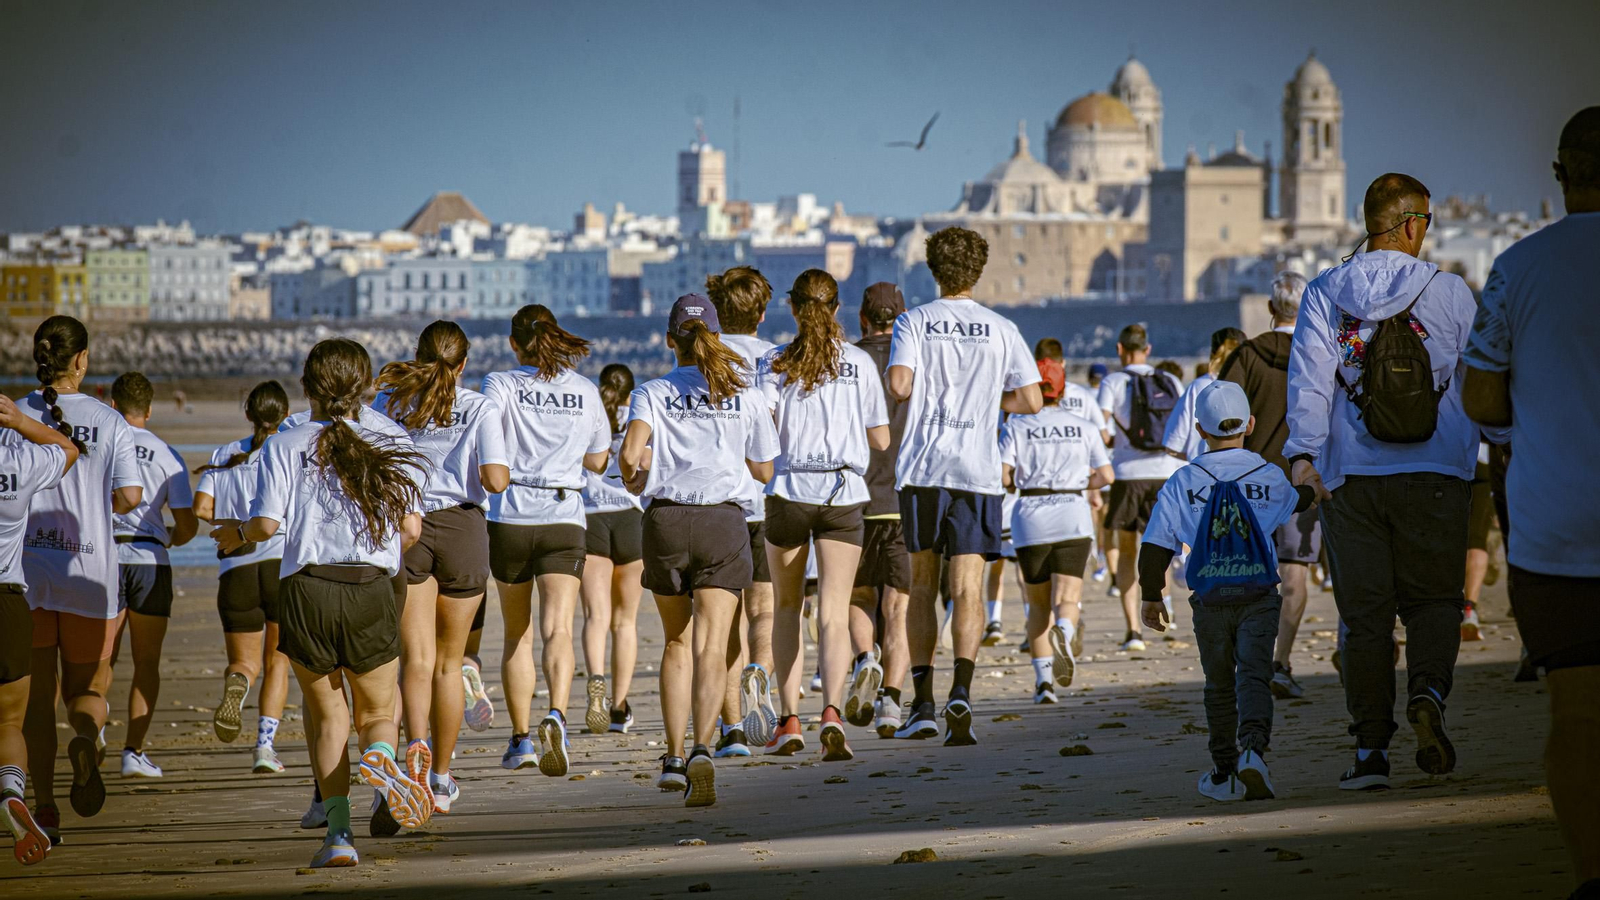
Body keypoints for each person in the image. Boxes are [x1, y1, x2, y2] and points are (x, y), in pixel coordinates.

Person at [1286, 172, 1506, 791]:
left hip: (1352, 477)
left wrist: (1303, 454)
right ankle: (1430, 694)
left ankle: (1370, 753)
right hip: (1438, 471)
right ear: (1412, 224)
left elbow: (1308, 381)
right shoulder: (1452, 292)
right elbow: (1484, 381)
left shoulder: (1327, 290)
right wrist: (1506, 447)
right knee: (1435, 600)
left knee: (1364, 617)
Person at [215, 338, 430, 868]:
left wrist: (235, 532)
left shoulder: (285, 445)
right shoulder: (391, 439)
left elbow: (266, 525)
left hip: (308, 588)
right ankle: (380, 757)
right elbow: (411, 529)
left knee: (328, 716)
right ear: (365, 388)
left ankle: (338, 836)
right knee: (378, 711)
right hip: (371, 585)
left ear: (307, 388)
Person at [1462, 106, 1600, 900]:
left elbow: (1482, 397)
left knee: (1578, 713)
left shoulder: (1519, 267)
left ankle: (1590, 873)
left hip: (1556, 527)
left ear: (1559, 176)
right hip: (1557, 526)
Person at [619, 294, 779, 806]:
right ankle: (704, 748)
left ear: (670, 340)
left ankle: (670, 755)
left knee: (675, 644)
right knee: (714, 646)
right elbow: (765, 469)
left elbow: (629, 456)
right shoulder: (745, 393)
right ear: (716, 336)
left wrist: (633, 475)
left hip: (666, 521)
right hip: (723, 522)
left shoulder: (652, 391)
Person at [886, 226, 1041, 745]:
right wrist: (989, 404)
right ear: (978, 271)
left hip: (926, 469)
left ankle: (923, 703)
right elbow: (1033, 400)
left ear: (933, 270)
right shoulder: (1001, 328)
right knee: (968, 588)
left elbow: (901, 385)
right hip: (978, 472)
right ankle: (963, 693)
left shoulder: (915, 321)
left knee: (923, 586)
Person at [1139, 381, 1315, 801]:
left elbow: (1156, 544)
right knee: (1254, 673)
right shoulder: (1267, 473)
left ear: (1200, 429)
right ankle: (1254, 751)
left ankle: (1224, 769)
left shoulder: (1184, 479)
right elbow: (1298, 500)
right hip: (1259, 594)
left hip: (1211, 598)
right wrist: (1316, 490)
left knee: (1218, 684)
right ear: (1250, 424)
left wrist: (1151, 594)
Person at [375, 320, 510, 812]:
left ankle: (415, 749)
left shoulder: (389, 403)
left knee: (417, 660)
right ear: (464, 364)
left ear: (418, 354)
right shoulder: (478, 405)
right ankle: (441, 778)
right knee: (451, 665)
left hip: (407, 528)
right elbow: (495, 480)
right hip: (462, 528)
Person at [757, 270, 890, 760]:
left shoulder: (773, 361)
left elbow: (762, 429)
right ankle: (832, 712)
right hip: (843, 491)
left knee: (788, 609)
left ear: (791, 309)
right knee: (833, 612)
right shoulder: (857, 362)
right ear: (836, 309)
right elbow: (880, 439)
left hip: (790, 488)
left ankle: (789, 720)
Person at [19, 316, 142, 842]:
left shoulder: (15, 413)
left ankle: (44, 806)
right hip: (90, 570)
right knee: (87, 688)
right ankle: (87, 739)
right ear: (82, 360)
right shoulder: (110, 421)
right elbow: (131, 496)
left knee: (37, 698)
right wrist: (97, 504)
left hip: (25, 572)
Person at [482, 306, 610, 778]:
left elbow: (486, 435)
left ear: (514, 344)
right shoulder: (584, 388)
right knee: (558, 627)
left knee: (517, 633)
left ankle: (520, 741)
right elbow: (598, 460)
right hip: (564, 515)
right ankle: (556, 713)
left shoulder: (500, 384)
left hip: (512, 514)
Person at [1220, 272, 1319, 700]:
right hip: (1302, 479)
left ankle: (1249, 661)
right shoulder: (1317, 353)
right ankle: (1280, 662)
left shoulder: (1246, 355)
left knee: (1246, 576)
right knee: (1294, 573)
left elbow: (1224, 415)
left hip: (1247, 482)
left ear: (1270, 309)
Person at [193, 381, 292, 775]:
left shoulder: (224, 453)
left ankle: (238, 683)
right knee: (278, 663)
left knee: (244, 663)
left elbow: (202, 508)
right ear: (285, 416)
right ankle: (265, 746)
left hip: (235, 567)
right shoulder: (286, 450)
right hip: (281, 564)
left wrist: (232, 525)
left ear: (248, 414)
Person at [1000, 358, 1113, 704]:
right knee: (1066, 598)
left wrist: (1016, 483)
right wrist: (1083, 482)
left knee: (1037, 605)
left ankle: (1044, 684)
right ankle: (1064, 630)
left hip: (1031, 516)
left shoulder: (1017, 425)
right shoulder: (1082, 426)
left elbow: (1003, 476)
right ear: (1063, 389)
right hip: (1072, 513)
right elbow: (1106, 476)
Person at [0, 392, 79, 866]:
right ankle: (10, 791)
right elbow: (68, 448)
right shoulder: (20, 461)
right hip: (8, 598)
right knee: (9, 721)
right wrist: (20, 421)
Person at [107, 372, 198, 779]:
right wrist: (174, 539)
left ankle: (91, 736)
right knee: (146, 663)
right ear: (149, 409)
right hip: (149, 557)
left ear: (112, 405)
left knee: (98, 659)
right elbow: (188, 523)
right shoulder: (165, 453)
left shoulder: (102, 445)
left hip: (103, 556)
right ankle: (133, 751)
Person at [704, 266, 779, 752]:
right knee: (765, 611)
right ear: (762, 312)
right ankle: (761, 671)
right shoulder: (773, 358)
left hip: (720, 502)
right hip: (766, 499)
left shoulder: (706, 357)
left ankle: (732, 729)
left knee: (725, 620)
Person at [851, 282, 913, 738]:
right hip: (903, 495)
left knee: (858, 596)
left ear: (861, 319)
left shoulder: (846, 362)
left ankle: (865, 659)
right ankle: (891, 702)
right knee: (898, 604)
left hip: (855, 496)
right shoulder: (915, 364)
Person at [1098, 323, 1183, 652]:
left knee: (1128, 552)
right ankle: (1166, 611)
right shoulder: (1171, 380)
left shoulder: (1113, 381)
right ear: (1147, 349)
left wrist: (1115, 441)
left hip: (1128, 474)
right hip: (1165, 473)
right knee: (1163, 546)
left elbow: (1101, 428)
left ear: (1120, 349)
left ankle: (1134, 631)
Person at [580, 363, 646, 735]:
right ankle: (619, 707)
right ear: (630, 391)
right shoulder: (637, 415)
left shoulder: (591, 415)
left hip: (592, 518)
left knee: (596, 617)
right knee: (625, 623)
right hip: (629, 518)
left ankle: (596, 684)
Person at [1163, 328, 1246, 462]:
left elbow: (1172, 446)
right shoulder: (1251, 384)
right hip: (1248, 472)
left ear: (1213, 353)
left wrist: (1196, 459)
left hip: (1206, 474)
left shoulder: (1199, 386)